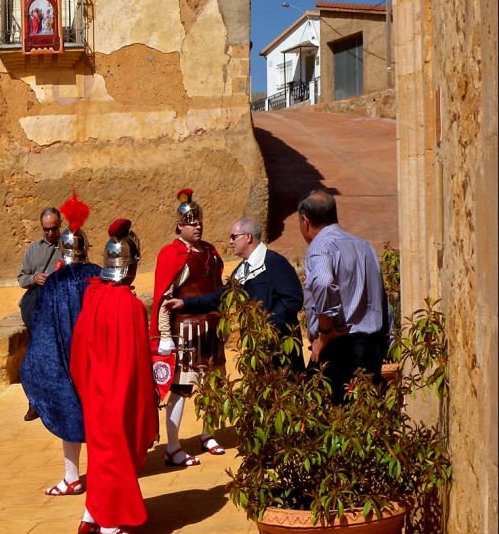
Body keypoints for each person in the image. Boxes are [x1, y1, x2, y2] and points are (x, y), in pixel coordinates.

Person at [70, 218, 158, 534]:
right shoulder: (131, 307)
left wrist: (87, 388)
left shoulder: (93, 295)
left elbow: (78, 351)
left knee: (101, 456)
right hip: (118, 394)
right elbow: (136, 363)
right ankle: (111, 530)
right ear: (129, 267)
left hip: (94, 393)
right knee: (117, 458)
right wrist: (141, 401)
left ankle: (91, 515)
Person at [18, 191, 101, 496]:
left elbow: (44, 325)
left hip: (68, 360)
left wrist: (37, 364)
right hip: (99, 360)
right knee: (99, 415)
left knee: (69, 410)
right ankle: (107, 470)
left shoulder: (57, 282)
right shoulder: (100, 276)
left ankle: (72, 477)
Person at [164, 216, 305, 374]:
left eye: (233, 237)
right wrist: (185, 303)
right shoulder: (241, 270)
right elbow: (221, 298)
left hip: (281, 350)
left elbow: (293, 300)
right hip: (256, 351)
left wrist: (268, 326)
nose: (230, 242)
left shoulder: (276, 263)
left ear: (248, 237)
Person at [150, 188, 226, 467]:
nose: (197, 226)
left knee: (214, 386)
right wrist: (165, 336)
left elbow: (218, 288)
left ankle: (208, 434)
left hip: (211, 331)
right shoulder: (172, 255)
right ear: (179, 225)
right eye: (191, 222)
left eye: (199, 221)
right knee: (181, 389)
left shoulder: (210, 252)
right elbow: (163, 299)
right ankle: (172, 446)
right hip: (186, 333)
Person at [298, 188, 390, 404]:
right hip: (371, 348)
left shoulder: (320, 247)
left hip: (339, 348)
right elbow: (380, 298)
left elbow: (322, 282)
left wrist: (325, 332)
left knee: (328, 423)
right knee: (363, 421)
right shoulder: (364, 247)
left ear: (305, 220)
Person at [16, 205, 63, 421]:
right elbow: (21, 278)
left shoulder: (69, 246)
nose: (50, 233)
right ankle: (34, 403)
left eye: (53, 229)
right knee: (36, 358)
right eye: (46, 229)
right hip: (37, 310)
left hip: (61, 310)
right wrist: (35, 278)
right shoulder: (33, 250)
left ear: (60, 226)